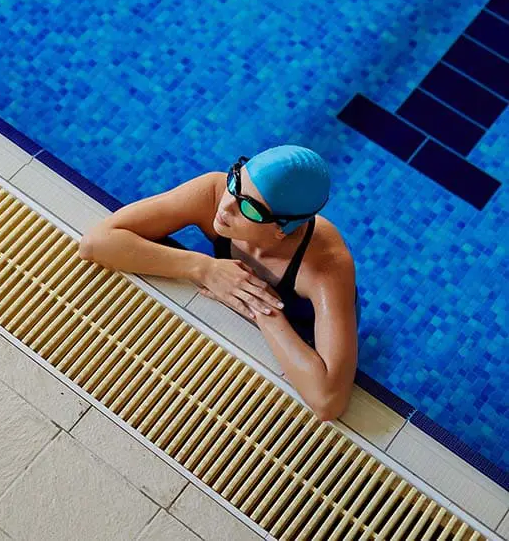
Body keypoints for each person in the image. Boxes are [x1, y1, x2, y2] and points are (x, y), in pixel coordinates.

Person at [79, 145, 360, 422]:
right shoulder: (213, 193)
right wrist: (203, 268)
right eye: (235, 179)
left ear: (280, 230)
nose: (226, 205)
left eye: (249, 207)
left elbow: (328, 401)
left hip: (304, 327)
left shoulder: (326, 267)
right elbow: (95, 244)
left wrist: (259, 305)